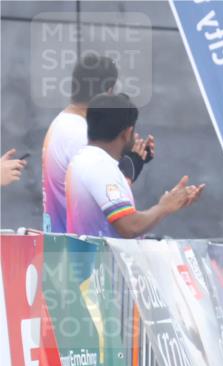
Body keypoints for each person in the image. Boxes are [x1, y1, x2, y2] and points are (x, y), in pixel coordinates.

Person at [42, 54, 154, 233]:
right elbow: (108, 192)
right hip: (76, 248)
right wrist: (133, 162)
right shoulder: (79, 133)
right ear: (107, 91)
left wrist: (132, 154)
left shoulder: (65, 122)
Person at [65, 93, 202, 238]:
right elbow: (129, 226)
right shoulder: (99, 165)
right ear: (127, 133)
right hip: (100, 260)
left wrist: (134, 162)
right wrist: (164, 206)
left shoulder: (85, 159)